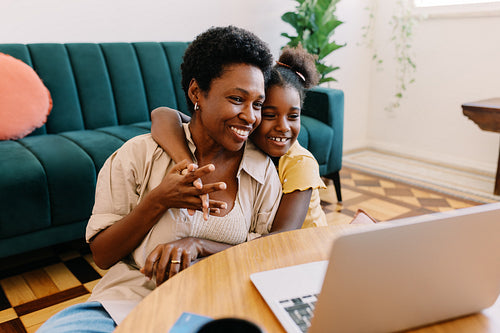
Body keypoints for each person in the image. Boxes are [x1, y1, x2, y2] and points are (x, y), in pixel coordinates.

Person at [37, 26, 280, 332]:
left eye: (257, 104)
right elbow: (102, 254)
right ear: (196, 93)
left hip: (218, 306)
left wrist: (199, 244)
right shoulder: (138, 155)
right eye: (236, 99)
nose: (249, 116)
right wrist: (158, 200)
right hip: (131, 302)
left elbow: (269, 253)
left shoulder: (262, 172)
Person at [151, 44, 327, 232]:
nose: (283, 127)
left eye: (293, 116)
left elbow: (281, 238)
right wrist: (187, 163)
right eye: (269, 115)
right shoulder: (240, 133)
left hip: (308, 250)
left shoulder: (299, 163)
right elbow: (163, 115)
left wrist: (200, 245)